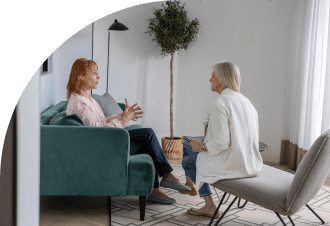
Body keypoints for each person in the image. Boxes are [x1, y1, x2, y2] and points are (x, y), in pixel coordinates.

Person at [66, 58, 191, 204]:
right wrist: (123, 121)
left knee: (148, 139)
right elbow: (99, 133)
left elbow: (102, 121)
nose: (98, 77)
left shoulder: (87, 98)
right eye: (94, 73)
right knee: (148, 135)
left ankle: (157, 187)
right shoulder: (80, 104)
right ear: (81, 76)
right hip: (102, 147)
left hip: (106, 141)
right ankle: (163, 181)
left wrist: (122, 116)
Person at [181, 61, 263, 218]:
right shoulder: (247, 102)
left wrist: (202, 146)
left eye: (212, 76)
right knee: (187, 161)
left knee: (186, 148)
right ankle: (195, 189)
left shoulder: (220, 103)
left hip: (231, 164)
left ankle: (206, 201)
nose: (210, 80)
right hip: (251, 163)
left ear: (221, 78)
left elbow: (221, 143)